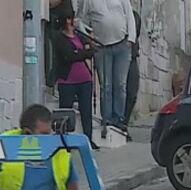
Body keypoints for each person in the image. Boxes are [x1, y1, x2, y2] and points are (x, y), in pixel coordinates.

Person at [78, 0, 136, 135]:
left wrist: (131, 39)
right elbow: (80, 21)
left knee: (120, 84)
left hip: (122, 45)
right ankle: (107, 119)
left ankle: (119, 118)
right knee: (106, 85)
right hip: (101, 46)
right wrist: (89, 40)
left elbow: (129, 16)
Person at [51, 13, 99, 149]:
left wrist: (82, 52)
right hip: (67, 81)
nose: (75, 21)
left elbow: (92, 49)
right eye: (72, 19)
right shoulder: (59, 38)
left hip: (85, 79)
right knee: (65, 111)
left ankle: (88, 139)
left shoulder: (79, 36)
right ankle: (63, 140)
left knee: (86, 111)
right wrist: (83, 52)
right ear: (67, 21)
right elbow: (69, 56)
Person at [124, 8, 142, 128]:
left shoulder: (134, 16)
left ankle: (124, 122)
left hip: (132, 57)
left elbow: (136, 33)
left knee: (132, 92)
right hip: (119, 56)